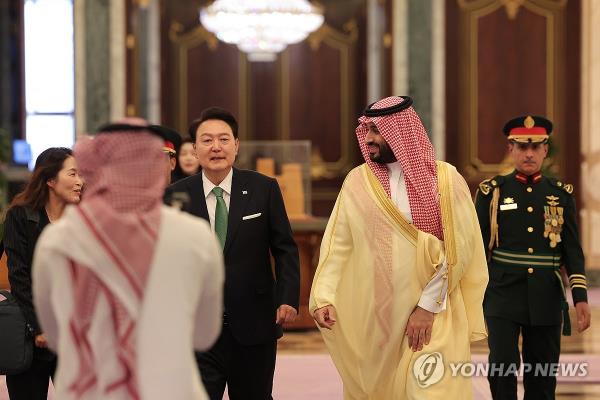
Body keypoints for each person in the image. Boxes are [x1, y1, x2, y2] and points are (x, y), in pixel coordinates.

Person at [309, 96, 489, 399]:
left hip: (437, 313)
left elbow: (460, 248)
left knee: (429, 391)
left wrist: (427, 307)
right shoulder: (357, 181)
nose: (369, 139)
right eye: (367, 130)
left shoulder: (446, 179)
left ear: (401, 132)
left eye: (377, 131)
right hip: (380, 316)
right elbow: (338, 244)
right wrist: (324, 296)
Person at [31, 121, 224, 400]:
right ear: (158, 167)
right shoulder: (194, 236)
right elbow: (204, 335)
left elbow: (57, 335)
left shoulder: (58, 240)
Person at [164, 106, 300, 400]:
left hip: (254, 326)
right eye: (207, 140)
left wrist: (287, 297)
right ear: (195, 148)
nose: (216, 147)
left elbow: (285, 248)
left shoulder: (264, 189)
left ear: (236, 146)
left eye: (224, 139)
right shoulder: (175, 196)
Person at [474, 115, 591, 400]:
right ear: (511, 148)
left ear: (545, 150)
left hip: (546, 295)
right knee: (501, 367)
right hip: (502, 293)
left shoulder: (560, 196)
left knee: (542, 374)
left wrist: (580, 297)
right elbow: (476, 246)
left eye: (535, 147)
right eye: (522, 147)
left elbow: (572, 250)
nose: (529, 153)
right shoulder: (493, 193)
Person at [3, 147, 83, 400]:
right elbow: (19, 277)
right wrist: (39, 327)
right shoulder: (21, 216)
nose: (80, 182)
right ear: (50, 180)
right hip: (33, 336)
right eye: (73, 174)